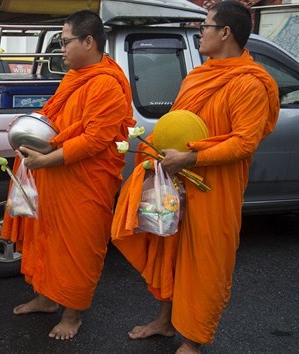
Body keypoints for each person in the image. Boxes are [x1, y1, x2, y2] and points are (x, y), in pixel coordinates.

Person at [111, 2, 280, 353]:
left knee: (204, 263)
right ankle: (165, 320)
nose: (200, 31)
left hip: (215, 187)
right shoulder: (199, 75)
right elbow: (179, 121)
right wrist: (153, 150)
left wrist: (193, 157)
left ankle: (195, 337)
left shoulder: (248, 84)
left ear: (225, 33)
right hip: (178, 178)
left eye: (206, 25)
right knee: (168, 249)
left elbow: (244, 142)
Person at [1, 10, 135, 340]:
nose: (61, 49)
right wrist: (24, 128)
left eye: (65, 41)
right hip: (57, 179)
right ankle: (47, 298)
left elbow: (94, 140)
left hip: (85, 183)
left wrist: (49, 161)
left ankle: (73, 314)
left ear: (89, 41)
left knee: (78, 249)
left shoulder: (106, 84)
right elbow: (52, 118)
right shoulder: (75, 77)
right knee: (47, 241)